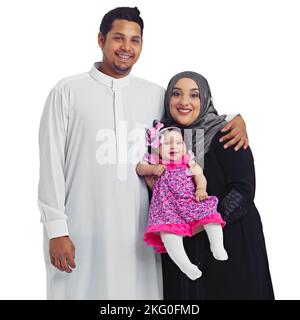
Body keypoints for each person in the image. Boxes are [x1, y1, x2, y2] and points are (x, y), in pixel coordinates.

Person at [38, 7, 249, 299]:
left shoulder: (153, 95)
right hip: (81, 229)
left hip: (141, 236)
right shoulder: (67, 92)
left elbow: (191, 114)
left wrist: (235, 118)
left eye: (135, 40)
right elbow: (50, 164)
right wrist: (56, 229)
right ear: (101, 39)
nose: (126, 47)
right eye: (118, 38)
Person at [152, 71, 274, 300]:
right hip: (186, 245)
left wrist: (204, 220)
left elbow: (243, 190)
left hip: (232, 242)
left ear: (205, 99)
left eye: (194, 95)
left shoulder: (226, 133)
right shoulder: (163, 139)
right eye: (176, 94)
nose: (184, 101)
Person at [136, 121, 228, 281]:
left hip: (190, 202)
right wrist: (151, 169)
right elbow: (139, 168)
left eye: (179, 142)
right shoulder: (155, 161)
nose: (174, 146)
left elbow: (200, 176)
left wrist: (201, 189)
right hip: (167, 208)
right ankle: (186, 266)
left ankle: (217, 246)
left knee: (210, 214)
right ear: (157, 147)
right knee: (168, 235)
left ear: (185, 147)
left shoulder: (188, 161)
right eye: (167, 143)